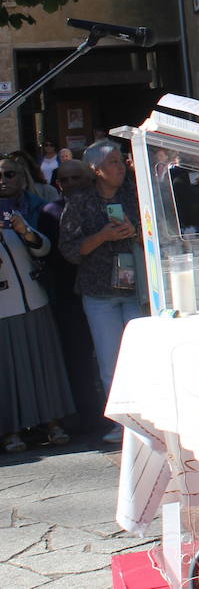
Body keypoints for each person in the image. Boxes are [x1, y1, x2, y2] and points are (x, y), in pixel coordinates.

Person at [58, 140, 142, 444]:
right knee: (110, 361)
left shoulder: (134, 194)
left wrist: (136, 232)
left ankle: (148, 417)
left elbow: (157, 234)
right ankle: (124, 424)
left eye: (121, 161)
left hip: (137, 289)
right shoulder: (80, 202)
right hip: (99, 292)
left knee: (140, 356)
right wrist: (102, 236)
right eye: (113, 163)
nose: (121, 167)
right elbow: (69, 250)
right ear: (96, 170)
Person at [0, 155, 73, 452]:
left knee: (44, 365)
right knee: (9, 372)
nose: (2, 180)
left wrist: (25, 231)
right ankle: (11, 431)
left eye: (8, 174)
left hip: (35, 300)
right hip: (4, 309)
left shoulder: (24, 212)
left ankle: (53, 423)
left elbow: (43, 248)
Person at [37, 159, 105, 435]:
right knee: (78, 360)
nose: (73, 184)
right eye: (66, 180)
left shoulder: (100, 204)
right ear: (58, 185)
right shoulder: (50, 211)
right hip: (68, 296)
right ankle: (89, 419)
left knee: (107, 355)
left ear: (90, 178)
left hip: (102, 289)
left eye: (79, 178)